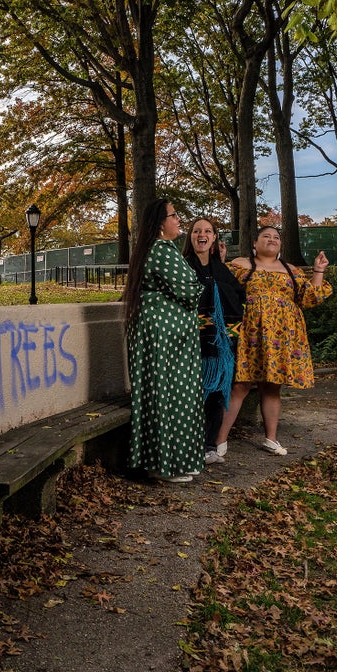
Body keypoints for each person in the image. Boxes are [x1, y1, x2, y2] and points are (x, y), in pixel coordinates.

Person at [214, 225, 331, 456]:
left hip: (282, 336)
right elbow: (221, 288)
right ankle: (218, 441)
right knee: (240, 385)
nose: (272, 239)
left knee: (272, 386)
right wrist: (220, 261)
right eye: (266, 236)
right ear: (254, 243)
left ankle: (271, 438)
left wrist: (318, 271)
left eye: (276, 237)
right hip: (251, 333)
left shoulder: (291, 270)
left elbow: (310, 298)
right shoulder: (241, 265)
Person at [123, 199, 205, 483]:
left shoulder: (153, 250)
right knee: (171, 395)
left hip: (162, 335)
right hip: (165, 337)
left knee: (167, 394)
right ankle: (163, 464)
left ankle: (174, 461)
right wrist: (196, 286)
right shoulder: (162, 250)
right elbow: (189, 290)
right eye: (174, 215)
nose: (179, 219)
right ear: (160, 222)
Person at [182, 218, 245, 466]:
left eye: (207, 231)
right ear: (190, 237)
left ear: (214, 238)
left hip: (220, 345)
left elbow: (239, 294)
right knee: (193, 394)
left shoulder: (221, 269)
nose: (201, 234)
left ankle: (209, 446)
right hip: (192, 342)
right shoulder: (184, 266)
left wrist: (216, 285)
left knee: (217, 393)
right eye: (197, 230)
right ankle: (188, 445)